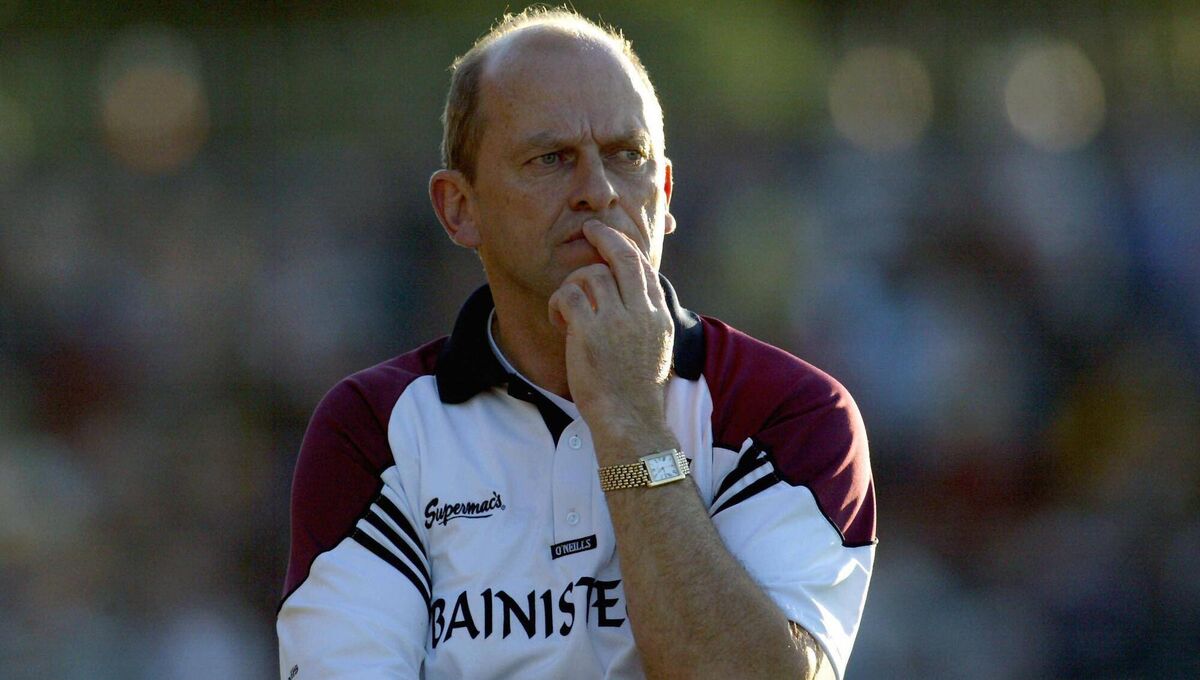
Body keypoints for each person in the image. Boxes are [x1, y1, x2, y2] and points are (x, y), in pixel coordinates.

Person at [277, 7, 875, 679]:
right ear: (459, 208)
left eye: (627, 156)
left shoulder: (786, 410)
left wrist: (629, 422)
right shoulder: (375, 429)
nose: (598, 192)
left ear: (666, 192)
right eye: (551, 159)